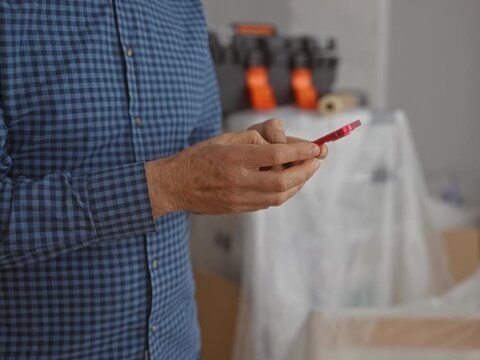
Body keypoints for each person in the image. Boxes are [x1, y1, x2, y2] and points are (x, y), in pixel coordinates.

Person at [0, 1, 326, 359]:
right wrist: (165, 186)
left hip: (177, 345)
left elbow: (197, 159)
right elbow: (179, 181)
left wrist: (238, 166)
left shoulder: (181, 8)